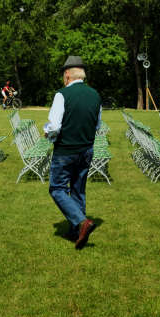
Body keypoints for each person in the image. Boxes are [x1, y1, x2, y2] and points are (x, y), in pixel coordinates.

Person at [44, 57, 105, 248]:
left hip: (66, 150)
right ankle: (76, 231)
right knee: (78, 189)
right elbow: (98, 124)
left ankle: (81, 222)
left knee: (57, 188)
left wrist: (47, 133)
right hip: (86, 148)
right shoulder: (95, 95)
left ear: (68, 74)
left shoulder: (62, 94)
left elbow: (54, 126)